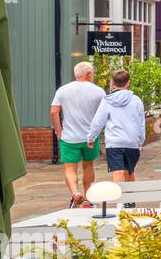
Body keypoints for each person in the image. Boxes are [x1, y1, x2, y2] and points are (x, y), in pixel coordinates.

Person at [50, 61, 105, 206]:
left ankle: (75, 193)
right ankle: (87, 197)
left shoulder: (63, 90)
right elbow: (103, 114)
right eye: (92, 73)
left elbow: (54, 111)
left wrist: (58, 131)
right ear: (88, 74)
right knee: (88, 166)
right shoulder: (99, 91)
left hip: (69, 137)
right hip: (90, 137)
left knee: (70, 167)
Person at [84, 68, 144, 192]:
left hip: (114, 142)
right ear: (128, 83)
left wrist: (91, 137)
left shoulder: (108, 101)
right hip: (132, 142)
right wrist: (140, 143)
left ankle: (119, 203)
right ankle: (130, 202)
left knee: (117, 172)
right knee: (130, 172)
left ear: (112, 83)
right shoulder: (136, 100)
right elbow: (141, 124)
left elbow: (98, 121)